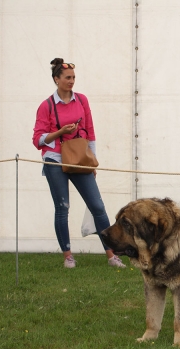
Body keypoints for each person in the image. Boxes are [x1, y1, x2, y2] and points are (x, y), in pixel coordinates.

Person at [32, 58, 125, 269]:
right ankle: (68, 256)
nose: (71, 81)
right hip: (55, 159)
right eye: (67, 78)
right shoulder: (46, 106)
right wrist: (59, 133)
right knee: (62, 207)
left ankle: (111, 255)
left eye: (73, 77)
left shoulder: (82, 100)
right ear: (56, 79)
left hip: (80, 158)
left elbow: (90, 131)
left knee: (97, 206)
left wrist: (92, 161)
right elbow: (37, 140)